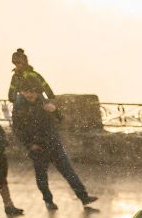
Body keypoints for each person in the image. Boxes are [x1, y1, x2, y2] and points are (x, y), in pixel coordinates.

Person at [12, 83, 96, 211]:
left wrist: (55, 110)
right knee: (41, 176)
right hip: (37, 147)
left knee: (68, 171)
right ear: (22, 92)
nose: (30, 95)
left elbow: (60, 119)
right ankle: (48, 201)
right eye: (26, 91)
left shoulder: (43, 101)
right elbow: (18, 129)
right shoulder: (19, 107)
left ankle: (83, 197)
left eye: (33, 92)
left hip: (53, 143)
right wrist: (30, 145)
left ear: (37, 92)